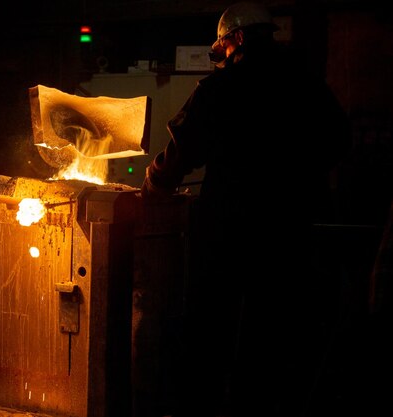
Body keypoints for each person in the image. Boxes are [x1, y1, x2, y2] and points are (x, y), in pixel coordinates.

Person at [141, 2, 352, 416]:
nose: (219, 53)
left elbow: (185, 147)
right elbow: (338, 140)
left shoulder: (222, 88)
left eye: (221, 44)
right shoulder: (308, 83)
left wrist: (155, 181)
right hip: (295, 228)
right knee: (275, 330)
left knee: (213, 327)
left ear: (236, 39)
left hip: (230, 230)